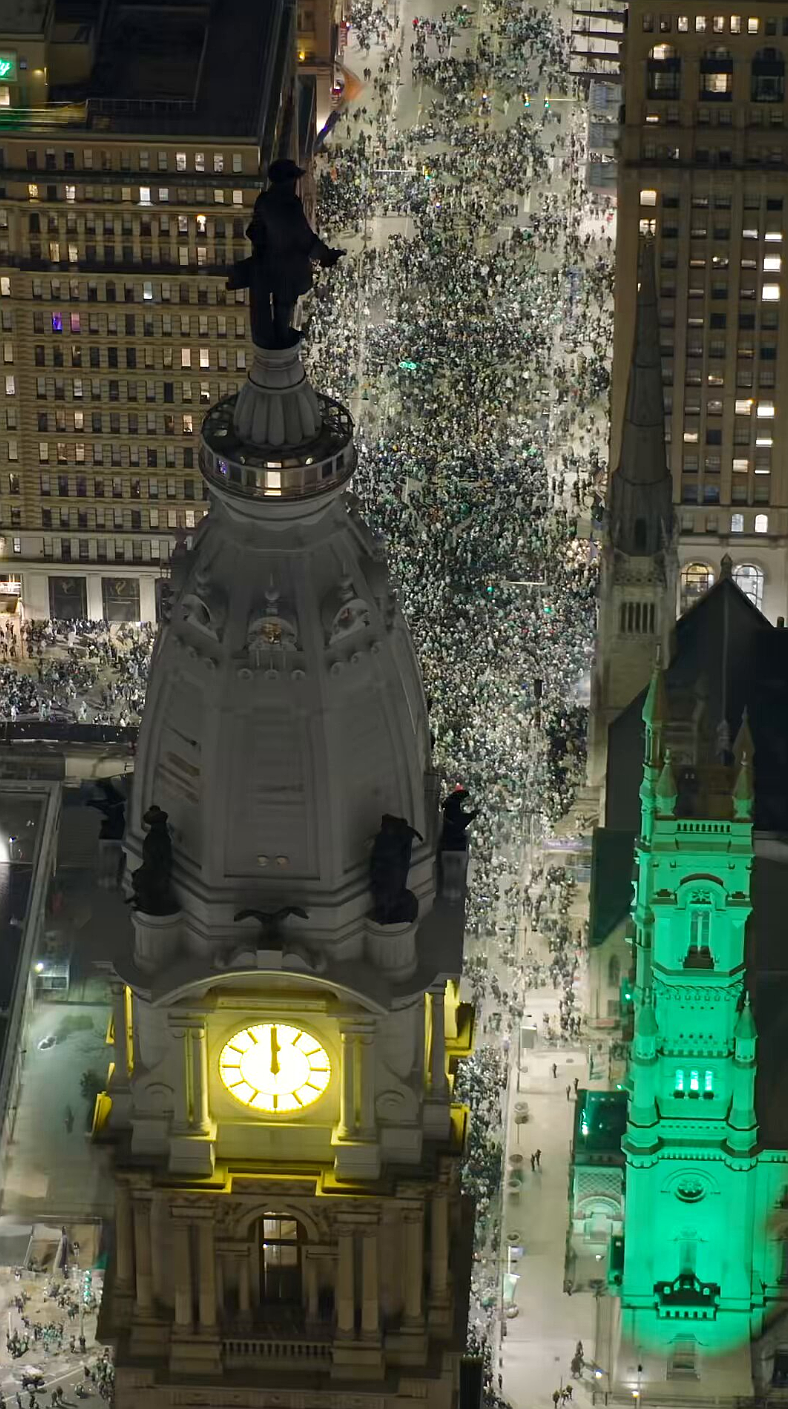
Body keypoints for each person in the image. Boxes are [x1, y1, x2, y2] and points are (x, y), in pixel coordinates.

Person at [227, 159, 345, 349]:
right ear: (287, 182)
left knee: (279, 302)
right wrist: (326, 256)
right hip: (288, 266)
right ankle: (281, 335)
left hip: (267, 263)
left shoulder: (263, 200)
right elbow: (306, 239)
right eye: (293, 180)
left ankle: (279, 335)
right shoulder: (290, 206)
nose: (294, 184)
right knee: (284, 302)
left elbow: (254, 230)